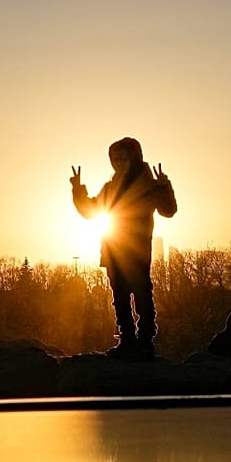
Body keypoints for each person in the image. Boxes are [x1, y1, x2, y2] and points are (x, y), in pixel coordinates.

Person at [71, 137, 176, 359]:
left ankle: (145, 341)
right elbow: (91, 212)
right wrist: (78, 189)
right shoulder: (110, 188)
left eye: (123, 158)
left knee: (142, 296)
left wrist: (164, 187)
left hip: (136, 251)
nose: (118, 163)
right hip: (112, 249)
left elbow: (168, 210)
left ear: (135, 158)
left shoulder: (149, 185)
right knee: (119, 298)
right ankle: (127, 340)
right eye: (115, 158)